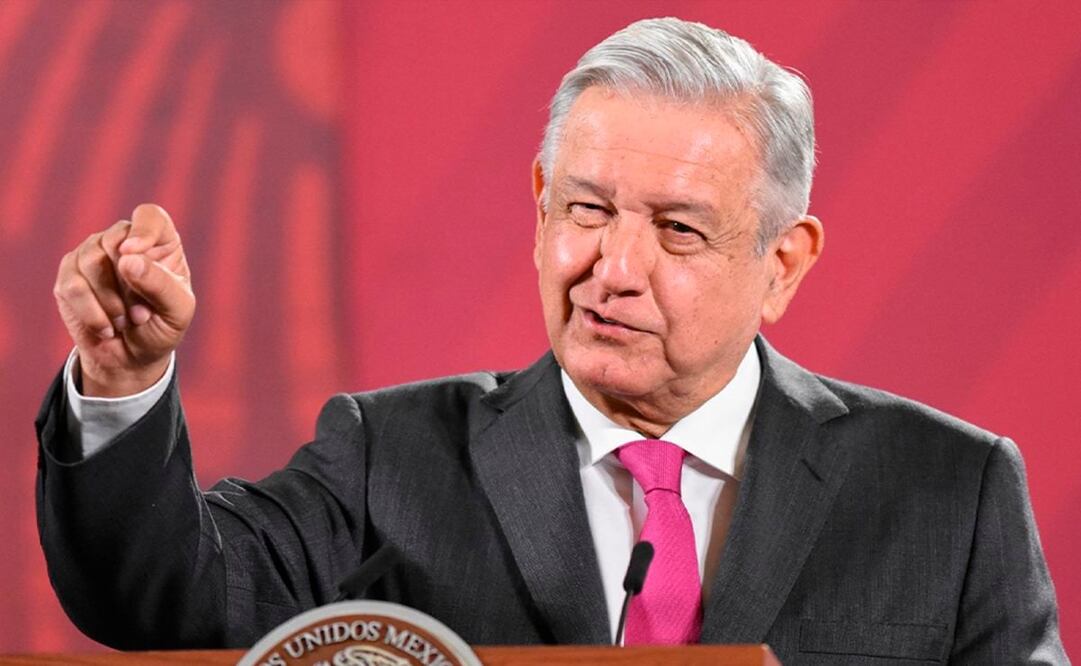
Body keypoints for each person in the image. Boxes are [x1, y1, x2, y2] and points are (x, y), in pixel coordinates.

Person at [37, 17, 1066, 663]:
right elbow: (163, 599)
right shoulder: (386, 458)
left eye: (675, 229)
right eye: (584, 210)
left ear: (783, 262)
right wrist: (123, 380)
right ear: (539, 208)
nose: (611, 267)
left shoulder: (947, 489)